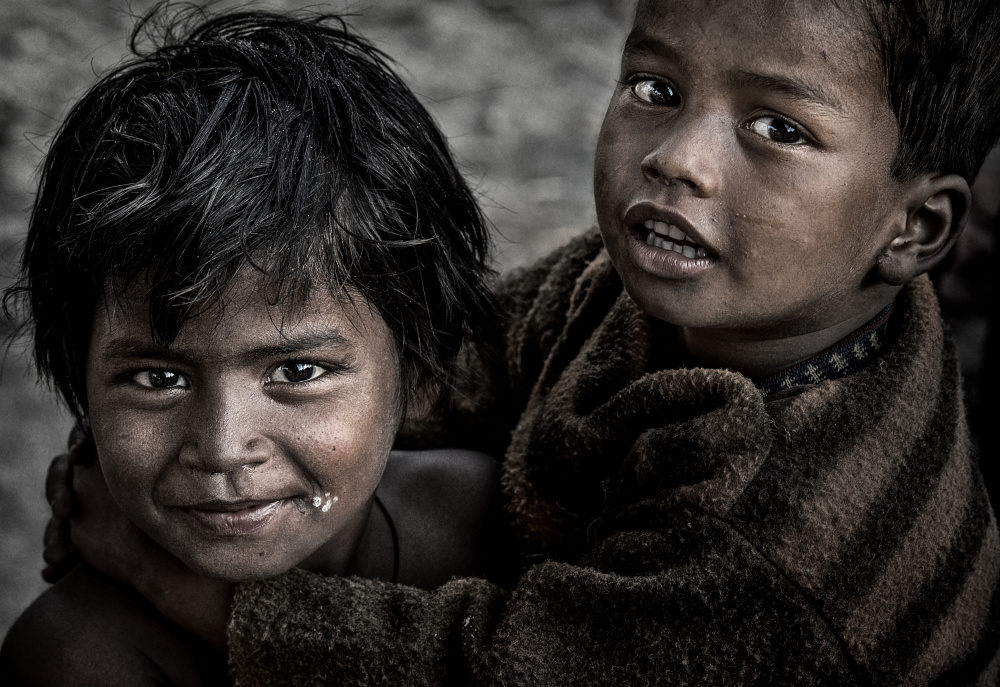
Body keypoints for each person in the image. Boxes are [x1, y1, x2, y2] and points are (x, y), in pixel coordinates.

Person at [34, 0, 1000, 684]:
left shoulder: (785, 542)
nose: (677, 158)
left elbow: (493, 669)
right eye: (656, 88)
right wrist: (168, 453)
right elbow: (461, 359)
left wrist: (178, 582)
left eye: (776, 126)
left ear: (912, 230)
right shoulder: (670, 286)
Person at [0, 8, 504, 686]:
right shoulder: (75, 655)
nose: (221, 445)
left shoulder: (488, 519)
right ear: (80, 381)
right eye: (157, 378)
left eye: (297, 370)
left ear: (418, 373)